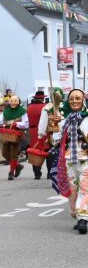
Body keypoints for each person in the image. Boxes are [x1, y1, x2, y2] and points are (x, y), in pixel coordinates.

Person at [50, 89, 88, 233]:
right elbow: (56, 141)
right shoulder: (64, 120)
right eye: (71, 99)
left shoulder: (86, 118)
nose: (74, 101)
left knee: (85, 189)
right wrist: (54, 128)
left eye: (78, 98)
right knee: (72, 190)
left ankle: (84, 218)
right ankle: (77, 215)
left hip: (85, 159)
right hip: (69, 160)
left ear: (83, 101)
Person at [0, 94, 28, 180]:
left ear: (18, 102)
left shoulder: (22, 111)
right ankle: (17, 166)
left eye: (15, 101)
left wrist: (18, 124)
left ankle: (11, 172)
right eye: (11, 101)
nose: (13, 103)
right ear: (9, 102)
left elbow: (26, 124)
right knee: (4, 153)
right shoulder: (6, 111)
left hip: (17, 132)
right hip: (7, 132)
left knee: (13, 153)